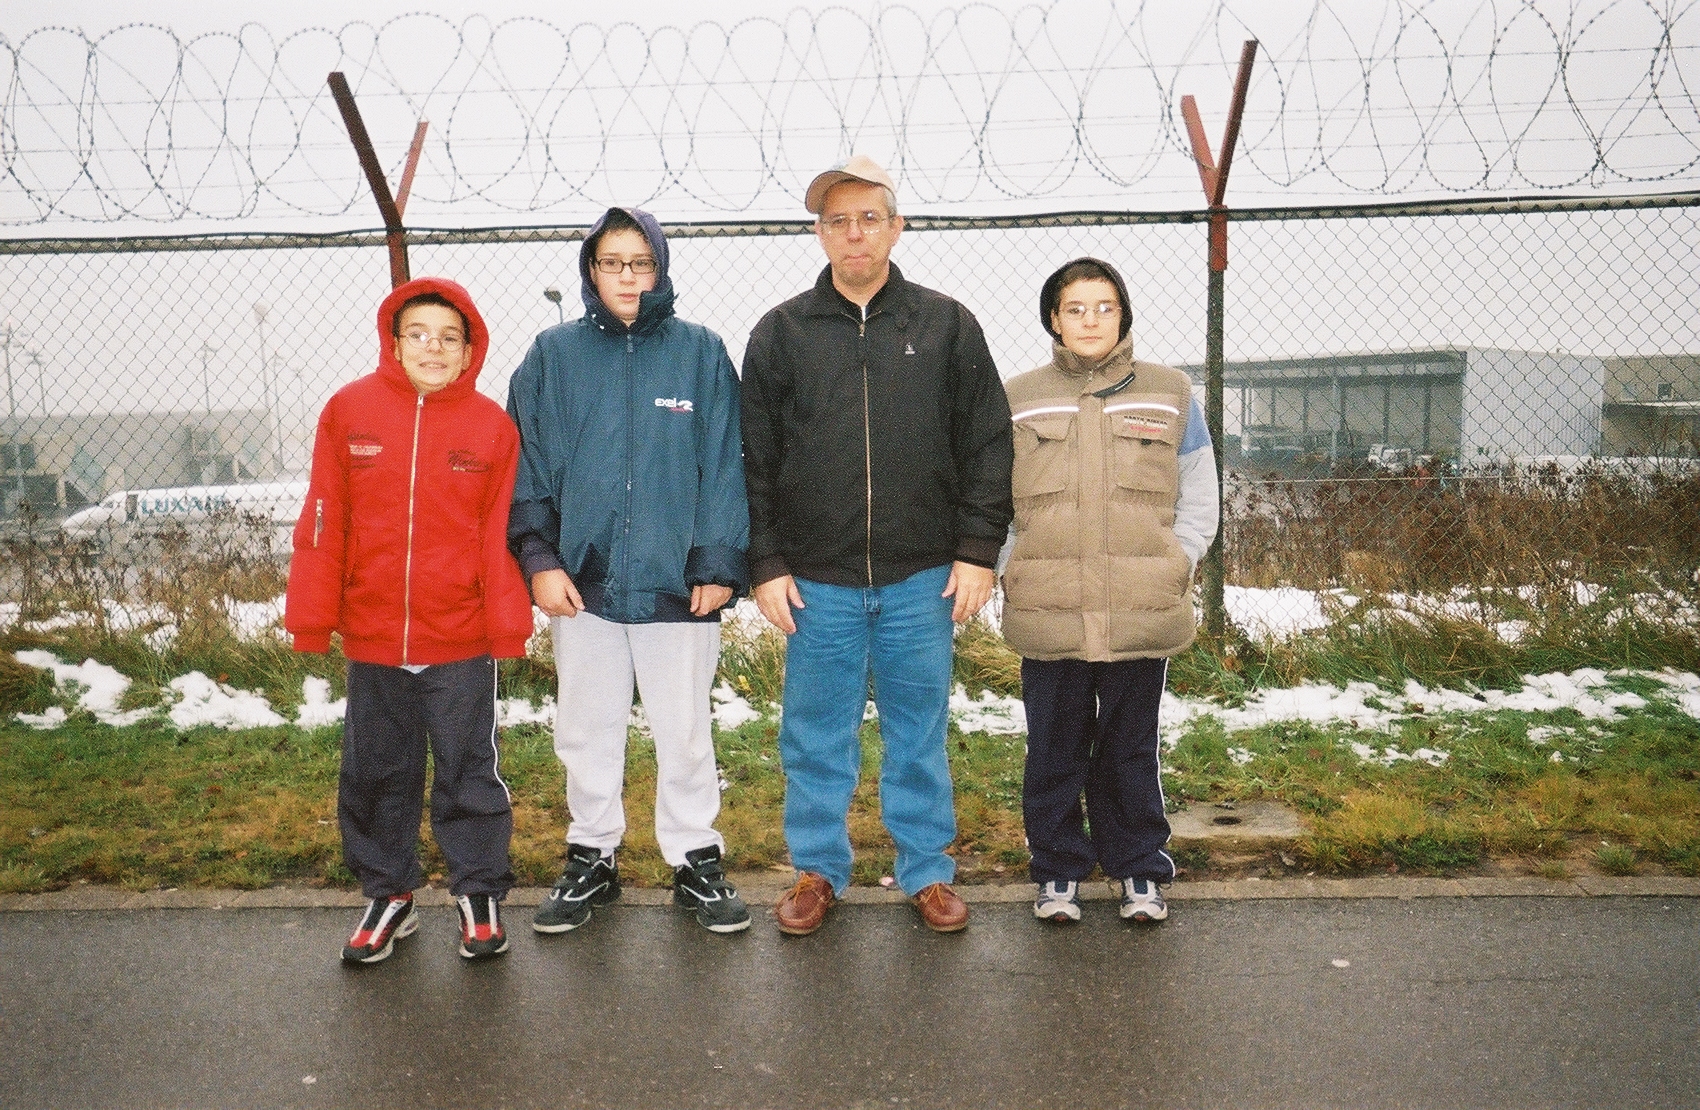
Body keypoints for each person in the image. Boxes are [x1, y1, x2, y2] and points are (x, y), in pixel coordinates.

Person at [741, 155, 1014, 935]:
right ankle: (818, 870)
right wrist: (766, 563)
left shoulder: (945, 323)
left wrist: (976, 551)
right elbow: (752, 459)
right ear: (820, 233)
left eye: (869, 218)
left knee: (917, 733)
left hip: (920, 577)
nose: (853, 233)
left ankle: (926, 872)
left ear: (897, 226)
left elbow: (988, 444)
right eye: (837, 220)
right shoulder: (783, 332)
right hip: (815, 582)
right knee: (815, 735)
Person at [507, 207, 752, 936]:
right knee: (587, 726)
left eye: (640, 263)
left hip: (679, 583)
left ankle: (695, 857)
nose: (627, 277)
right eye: (612, 262)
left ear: (662, 268)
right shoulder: (552, 357)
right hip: (584, 585)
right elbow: (527, 467)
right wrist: (540, 560)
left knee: (683, 729)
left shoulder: (701, 353)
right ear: (590, 270)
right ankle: (593, 855)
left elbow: (726, 464)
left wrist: (717, 561)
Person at [285, 277, 533, 963]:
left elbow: (497, 534)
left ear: (469, 350)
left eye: (449, 338)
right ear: (394, 342)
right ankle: (388, 895)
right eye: (419, 334)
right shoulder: (349, 412)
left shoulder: (490, 427)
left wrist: (505, 625)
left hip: (459, 641)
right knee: (375, 772)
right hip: (373, 639)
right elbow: (324, 516)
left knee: (468, 770)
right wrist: (313, 616)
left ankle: (478, 891)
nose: (433, 347)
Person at [1000, 257, 1220, 925]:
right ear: (1052, 319)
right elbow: (995, 503)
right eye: (1076, 308)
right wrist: (1015, 567)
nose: (1090, 320)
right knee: (1054, 746)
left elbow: (1201, 495)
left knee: (1130, 746)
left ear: (1123, 315)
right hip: (1051, 609)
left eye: (1104, 307)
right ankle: (1059, 871)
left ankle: (1138, 870)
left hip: (1139, 609)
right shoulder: (1018, 397)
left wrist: (1170, 563)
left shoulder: (1170, 392)